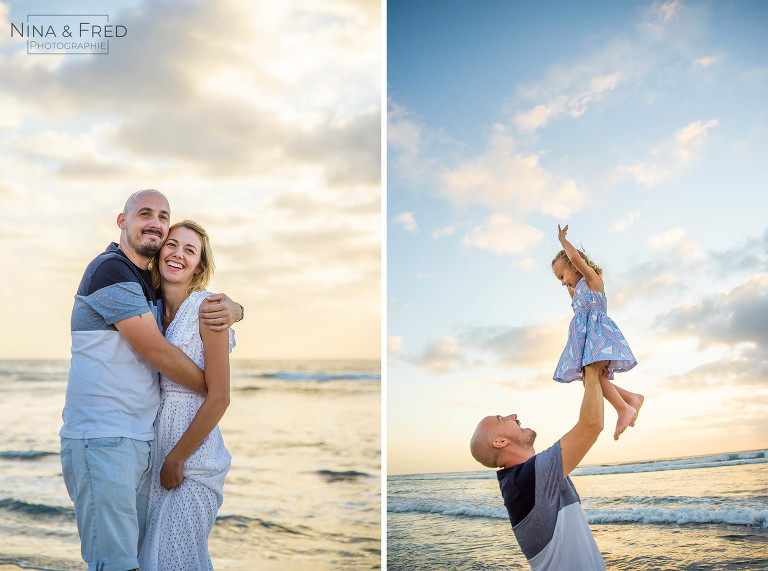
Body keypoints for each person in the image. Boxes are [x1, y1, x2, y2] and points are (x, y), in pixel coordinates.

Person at [60, 189, 243, 571]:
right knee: (125, 562)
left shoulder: (160, 295)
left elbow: (204, 332)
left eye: (164, 217)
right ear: (122, 221)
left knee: (163, 560)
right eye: (146, 214)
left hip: (155, 448)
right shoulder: (115, 273)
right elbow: (158, 353)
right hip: (107, 440)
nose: (157, 226)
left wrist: (237, 309)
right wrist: (214, 389)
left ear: (200, 265)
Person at [138, 220, 234, 570]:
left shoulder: (208, 308)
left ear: (200, 266)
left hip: (195, 460)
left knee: (174, 559)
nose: (178, 254)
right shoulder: (149, 311)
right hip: (157, 457)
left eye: (189, 250)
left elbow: (220, 396)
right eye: (172, 245)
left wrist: (177, 458)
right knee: (156, 559)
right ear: (160, 251)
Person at [470, 362, 608, 571]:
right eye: (502, 419)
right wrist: (591, 368)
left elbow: (592, 421)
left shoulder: (522, 481)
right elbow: (592, 424)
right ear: (499, 442)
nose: (513, 416)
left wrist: (593, 378)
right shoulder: (527, 480)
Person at [551, 224, 643, 440]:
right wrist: (568, 287)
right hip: (585, 338)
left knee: (592, 373)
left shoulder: (592, 280)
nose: (563, 282)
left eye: (562, 275)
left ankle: (623, 408)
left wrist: (562, 240)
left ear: (574, 266)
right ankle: (631, 398)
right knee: (589, 378)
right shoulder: (576, 291)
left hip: (598, 334)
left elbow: (574, 258)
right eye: (559, 280)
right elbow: (576, 306)